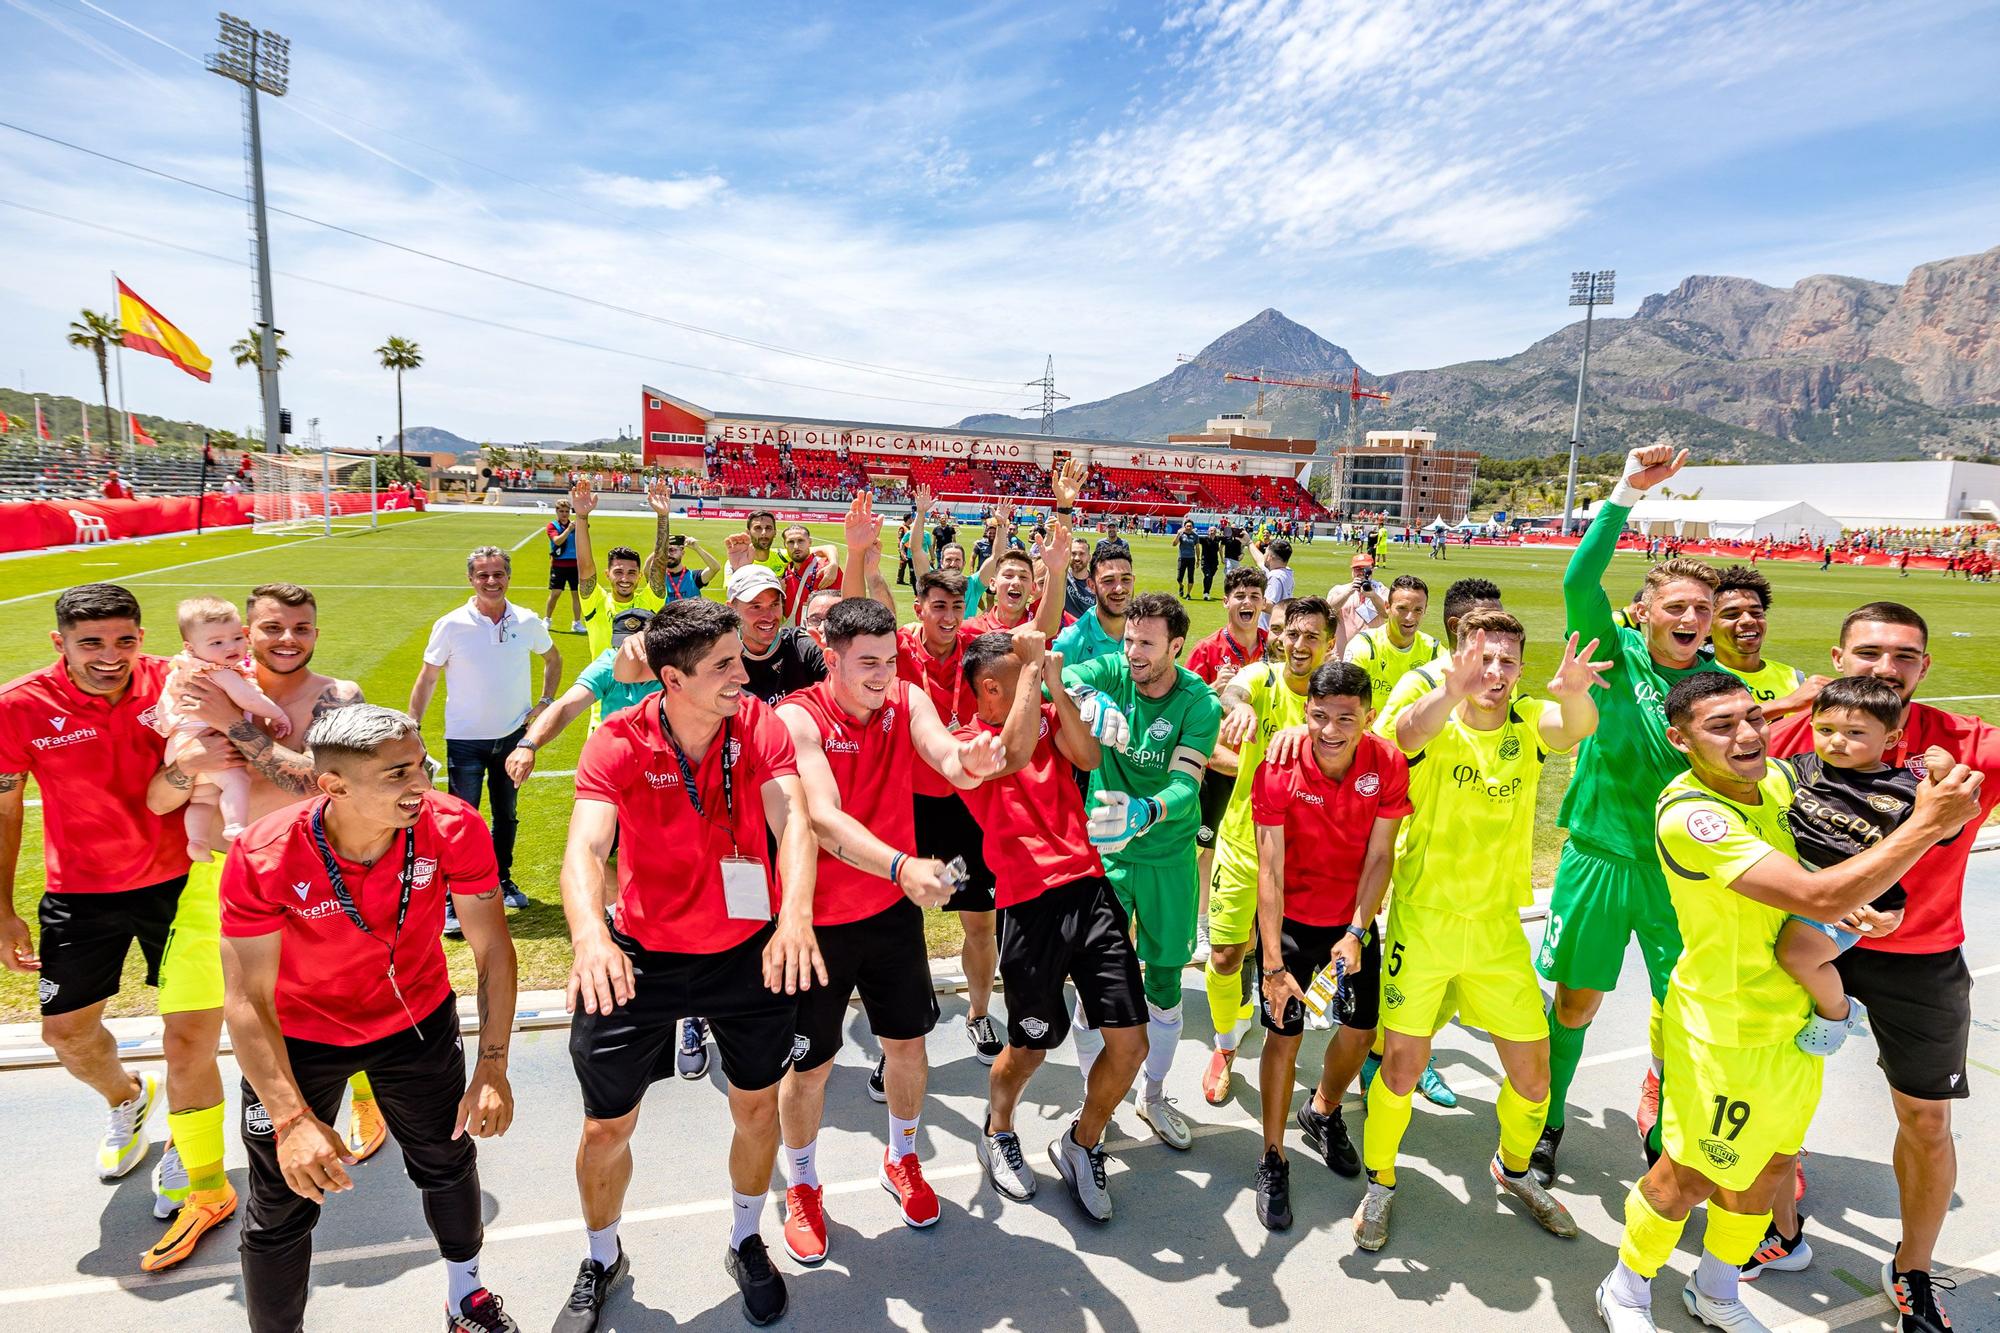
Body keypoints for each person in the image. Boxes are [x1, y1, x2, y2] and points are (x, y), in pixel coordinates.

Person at [1595, 672, 1979, 1333]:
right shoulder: (1693, 815)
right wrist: (1925, 825)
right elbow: (1816, 897)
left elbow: (1811, 879)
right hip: (1725, 1026)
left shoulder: (1775, 780)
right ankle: (1626, 1287)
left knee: (1772, 1163)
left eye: (1752, 716)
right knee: (1688, 1174)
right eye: (1722, 725)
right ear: (1679, 738)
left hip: (1790, 1021)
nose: (1746, 734)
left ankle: (1715, 1289)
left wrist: (1849, 904)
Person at [556, 599, 822, 1331]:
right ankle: (602, 1254)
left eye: (741, 658)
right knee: (606, 1128)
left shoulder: (758, 724)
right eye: (725, 666)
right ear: (671, 677)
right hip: (640, 953)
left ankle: (745, 1239)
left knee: (755, 1108)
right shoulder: (618, 738)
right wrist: (589, 937)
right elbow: (584, 850)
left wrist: (793, 916)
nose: (745, 673)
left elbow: (792, 818)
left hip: (747, 949)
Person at [219, 705, 522, 1333]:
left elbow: (492, 948)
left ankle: (465, 1297)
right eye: (397, 775)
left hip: (415, 1022)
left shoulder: (453, 826)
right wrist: (291, 1118)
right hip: (300, 1039)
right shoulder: (264, 853)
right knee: (281, 1201)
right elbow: (248, 999)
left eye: (422, 766)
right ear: (333, 786)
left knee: (448, 1159)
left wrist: (493, 1066)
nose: (420, 786)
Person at [1762, 603, 2000, 1329]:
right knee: (1774, 1106)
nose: (1884, 668)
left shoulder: (1970, 746)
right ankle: (1781, 1231)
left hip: (1920, 955)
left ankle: (1914, 1269)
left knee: (1926, 1120)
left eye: (1903, 657)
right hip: (1801, 941)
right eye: (1868, 653)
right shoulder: (1793, 731)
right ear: (1838, 659)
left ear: (1924, 670)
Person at [0, 584, 235, 1271]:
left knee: (191, 1031)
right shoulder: (19, 705)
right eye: (91, 643)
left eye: (124, 640)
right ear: (60, 644)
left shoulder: (176, 679)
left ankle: (183, 1149)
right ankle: (129, 1098)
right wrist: (3, 907)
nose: (111, 656)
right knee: (66, 1033)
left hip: (183, 882)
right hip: (80, 890)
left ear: (142, 636)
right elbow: (6, 808)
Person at [1358, 614, 1607, 1253]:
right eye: (1483, 659)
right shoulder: (1434, 716)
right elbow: (1406, 734)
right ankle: (1380, 1182)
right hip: (1425, 920)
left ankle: (1514, 1170)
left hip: (1497, 930)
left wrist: (1575, 692)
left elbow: (1574, 727)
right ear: (1463, 658)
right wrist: (1449, 689)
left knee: (1533, 1076)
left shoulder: (1526, 721)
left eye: (1506, 661)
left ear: (1521, 668)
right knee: (1403, 1068)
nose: (1493, 673)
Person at [771, 598, 1006, 1264]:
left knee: (907, 1048)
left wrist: (974, 760)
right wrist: (903, 865)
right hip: (816, 922)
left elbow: (946, 755)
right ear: (831, 655)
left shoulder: (904, 699)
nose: (882, 675)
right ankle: (804, 1184)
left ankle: (902, 1157)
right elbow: (823, 818)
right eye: (866, 662)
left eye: (889, 660)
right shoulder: (798, 716)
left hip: (889, 916)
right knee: (811, 1068)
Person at [1534, 444, 1722, 1184]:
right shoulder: (1611, 655)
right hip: (1599, 859)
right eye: (1675, 606)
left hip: (1680, 875)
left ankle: (1671, 1135)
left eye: (1702, 610)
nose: (1691, 617)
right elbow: (1578, 577)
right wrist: (1623, 494)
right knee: (1576, 1003)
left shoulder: (1719, 687)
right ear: (1643, 612)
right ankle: (1544, 1122)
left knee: (1682, 1011)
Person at [956, 630, 1149, 1223]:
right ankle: (1000, 1127)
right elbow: (1012, 754)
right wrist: (1035, 670)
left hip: (1089, 887)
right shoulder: (966, 741)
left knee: (1130, 1043)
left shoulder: (1042, 707)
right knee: (1032, 1046)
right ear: (992, 686)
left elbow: (1089, 758)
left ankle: (1081, 1142)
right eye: (1024, 676)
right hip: (1030, 904)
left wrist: (1056, 684)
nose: (1035, 683)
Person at [1248, 662, 1407, 1230]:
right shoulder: (1279, 765)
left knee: (1362, 1032)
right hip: (1289, 923)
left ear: (1367, 715)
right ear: (1305, 712)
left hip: (1350, 924)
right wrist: (1271, 964)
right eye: (1319, 716)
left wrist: (1358, 931)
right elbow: (1270, 870)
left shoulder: (1386, 761)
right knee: (1282, 1036)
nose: (1331, 729)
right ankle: (1272, 1156)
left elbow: (1381, 855)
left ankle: (1322, 1111)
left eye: (1346, 717)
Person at [1064, 592, 1222, 1151]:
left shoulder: (1199, 703)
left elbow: (1186, 783)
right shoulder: (1113, 668)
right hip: (1106, 854)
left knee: (1164, 981)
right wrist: (1082, 693)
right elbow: (1049, 670)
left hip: (1167, 858)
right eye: (1129, 639)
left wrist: (1147, 811)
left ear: (1176, 646)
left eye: (1146, 643)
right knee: (1093, 986)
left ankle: (1152, 1096)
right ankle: (1095, 1103)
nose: (1133, 652)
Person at [1201, 596, 1332, 1104]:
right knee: (1226, 952)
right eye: (1292, 634)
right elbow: (1234, 692)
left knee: (1303, 961)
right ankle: (1225, 1043)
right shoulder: (1262, 679)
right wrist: (1237, 712)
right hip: (1242, 840)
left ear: (1328, 642)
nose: (1298, 645)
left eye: (1311, 637)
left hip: (1305, 853)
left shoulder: (1335, 696)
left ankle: (1287, 1040)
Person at [1768, 677, 1942, 1047]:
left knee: (1795, 955)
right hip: (1795, 885)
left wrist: (1942, 776)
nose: (1836, 741)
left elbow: (1945, 827)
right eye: (1826, 729)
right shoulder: (1800, 768)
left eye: (1855, 732)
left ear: (1891, 740)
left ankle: (1837, 1012)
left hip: (1855, 900)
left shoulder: (1905, 788)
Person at [409, 547, 561, 927]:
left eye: (498, 574)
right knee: (462, 820)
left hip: (512, 738)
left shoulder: (526, 621)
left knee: (506, 816)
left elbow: (553, 659)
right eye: (483, 575)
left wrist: (544, 703)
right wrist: (412, 726)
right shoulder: (451, 624)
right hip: (465, 741)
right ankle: (453, 898)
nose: (491, 581)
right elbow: (428, 677)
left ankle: (502, 879)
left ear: (508, 576)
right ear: (471, 579)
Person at [154, 596, 291, 859]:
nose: (230, 647)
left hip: (180, 745)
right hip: (206, 741)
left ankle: (196, 841)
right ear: (190, 646)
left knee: (203, 798)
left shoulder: (183, 667)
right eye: (217, 642)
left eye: (236, 638)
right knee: (236, 780)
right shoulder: (218, 671)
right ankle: (235, 825)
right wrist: (278, 714)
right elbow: (247, 698)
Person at [1186, 566, 1268, 963]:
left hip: (1264, 771)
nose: (1247, 602)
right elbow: (1183, 704)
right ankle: (1203, 926)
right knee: (1206, 850)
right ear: (1226, 602)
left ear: (1264, 602)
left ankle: (1254, 925)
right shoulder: (1207, 649)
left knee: (1261, 849)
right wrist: (1209, 692)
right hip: (1219, 770)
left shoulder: (1276, 647)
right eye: (1240, 596)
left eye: (1255, 595)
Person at [569, 478, 670, 664]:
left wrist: (663, 517)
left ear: (640, 576)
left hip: (643, 690)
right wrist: (581, 518)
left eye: (632, 573)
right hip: (604, 691)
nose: (625, 578)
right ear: (607, 574)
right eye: (618, 572)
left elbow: (660, 564)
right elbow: (585, 567)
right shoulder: (595, 602)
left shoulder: (648, 601)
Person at [1711, 566, 1825, 720]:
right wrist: (1788, 703)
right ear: (1706, 626)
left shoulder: (1793, 678)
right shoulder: (1692, 678)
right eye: (1732, 614)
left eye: (1756, 613)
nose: (1749, 620)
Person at [1341, 574, 1442, 711]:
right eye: (1402, 608)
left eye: (1418, 610)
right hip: (1370, 731)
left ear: (1425, 610)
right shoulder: (1365, 646)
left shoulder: (1434, 652)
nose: (1410, 617)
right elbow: (1346, 701)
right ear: (1387, 607)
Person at [1053, 534, 1134, 665]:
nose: (1119, 588)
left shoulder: (1149, 632)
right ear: (1091, 586)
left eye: (1126, 579)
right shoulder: (1069, 642)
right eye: (1108, 581)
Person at [1326, 554, 1390, 657]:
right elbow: (1328, 611)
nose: (1361, 573)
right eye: (1357, 569)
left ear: (1372, 570)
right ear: (1352, 571)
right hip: (1344, 655)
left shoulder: (1381, 590)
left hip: (1373, 654)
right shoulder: (1339, 590)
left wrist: (1373, 596)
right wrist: (1348, 592)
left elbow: (1386, 614)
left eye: (1365, 569)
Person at [544, 499, 584, 633]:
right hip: (559, 565)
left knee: (576, 594)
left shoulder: (575, 524)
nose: (564, 514)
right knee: (555, 593)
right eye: (561, 511)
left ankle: (577, 623)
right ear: (556, 511)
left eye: (567, 511)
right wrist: (569, 529)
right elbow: (558, 541)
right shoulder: (552, 526)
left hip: (575, 565)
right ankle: (547, 619)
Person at [1063, 535, 1096, 618]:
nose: (1077, 558)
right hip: (1065, 628)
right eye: (1073, 553)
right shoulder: (1062, 578)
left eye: (1081, 554)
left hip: (1087, 629)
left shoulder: (1096, 584)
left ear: (1089, 558)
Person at [1175, 520, 1198, 598]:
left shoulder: (1195, 536)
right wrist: (1178, 535)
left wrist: (1198, 559)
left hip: (1191, 558)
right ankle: (1181, 586)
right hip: (1182, 558)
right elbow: (1174, 544)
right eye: (1187, 526)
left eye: (1190, 526)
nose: (1188, 527)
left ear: (1192, 527)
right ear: (1184, 527)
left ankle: (1188, 594)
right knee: (1179, 578)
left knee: (1190, 577)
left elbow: (1197, 548)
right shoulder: (1181, 534)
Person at [1198, 524, 1222, 598]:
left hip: (1214, 562)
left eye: (1214, 531)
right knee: (1207, 576)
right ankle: (1206, 593)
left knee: (1210, 577)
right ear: (1208, 531)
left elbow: (1228, 538)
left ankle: (1207, 592)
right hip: (1205, 561)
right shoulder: (1204, 539)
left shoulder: (1218, 539)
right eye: (1211, 531)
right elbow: (1194, 538)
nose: (1212, 532)